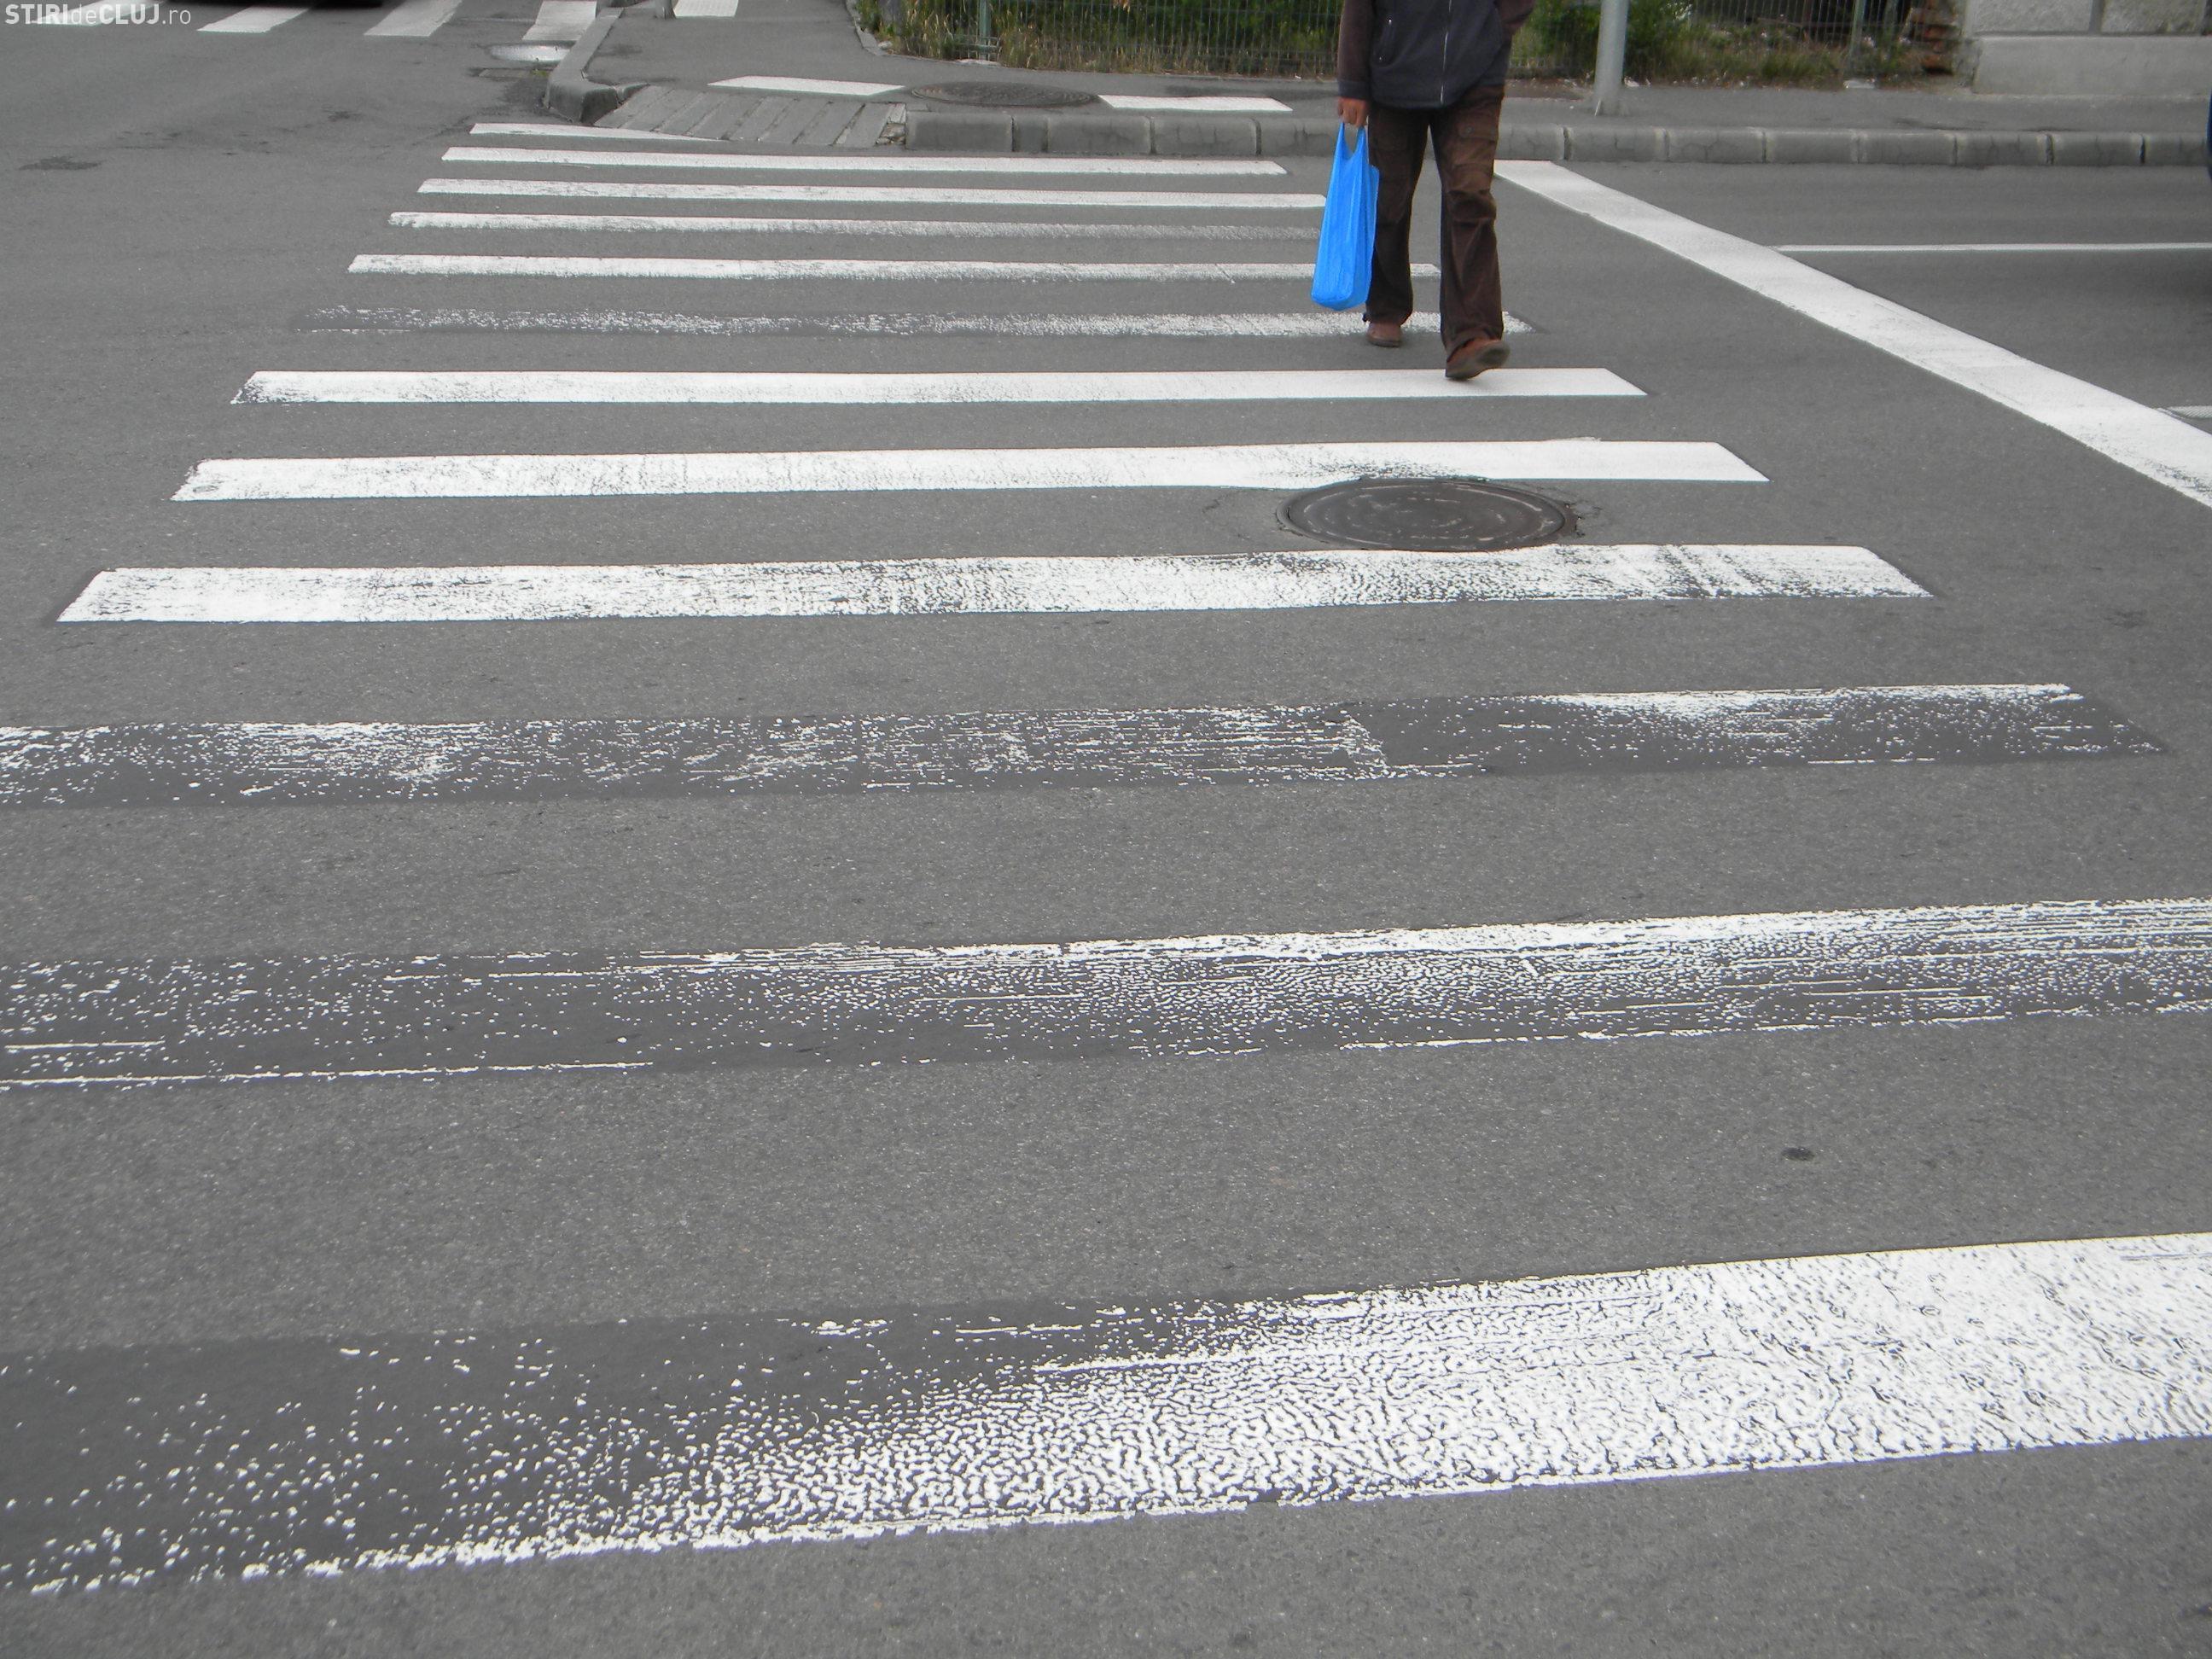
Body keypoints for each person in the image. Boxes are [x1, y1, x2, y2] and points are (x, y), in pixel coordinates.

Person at [1335, 0, 1534, 379]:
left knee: (1470, 195)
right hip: (1395, 76)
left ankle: (1472, 334)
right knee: (1388, 201)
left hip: (1476, 79)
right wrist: (1352, 83)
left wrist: (1492, 27)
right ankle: (1387, 306)